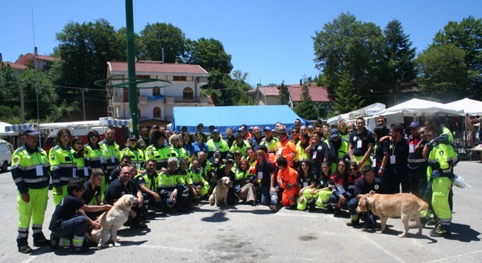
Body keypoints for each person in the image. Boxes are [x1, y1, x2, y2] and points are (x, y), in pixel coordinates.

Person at [11, 128, 51, 253]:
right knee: (25, 215)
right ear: (25, 137)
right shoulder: (20, 153)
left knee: (39, 213)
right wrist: (23, 192)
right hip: (28, 191)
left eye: (36, 136)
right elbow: (16, 174)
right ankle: (22, 242)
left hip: (42, 190)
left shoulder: (41, 152)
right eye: (32, 137)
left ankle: (38, 237)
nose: (35, 139)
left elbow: (47, 169)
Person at [49, 179, 111, 253]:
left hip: (59, 227)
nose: (82, 192)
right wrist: (105, 207)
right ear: (75, 191)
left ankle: (57, 240)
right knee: (82, 220)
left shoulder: (69, 198)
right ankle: (76, 246)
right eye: (81, 190)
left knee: (86, 242)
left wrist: (91, 222)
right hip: (59, 227)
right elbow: (88, 209)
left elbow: (80, 211)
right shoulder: (72, 199)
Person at [426, 128, 458, 237]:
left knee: (441, 203)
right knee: (437, 201)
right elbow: (455, 159)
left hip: (441, 179)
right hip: (441, 179)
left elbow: (444, 164)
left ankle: (444, 228)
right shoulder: (449, 146)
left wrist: (443, 172)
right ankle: (442, 223)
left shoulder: (440, 147)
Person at [103, 165, 147, 229]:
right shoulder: (115, 185)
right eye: (124, 173)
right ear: (120, 173)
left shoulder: (130, 182)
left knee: (142, 207)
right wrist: (130, 211)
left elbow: (137, 190)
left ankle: (135, 224)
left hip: (125, 205)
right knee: (128, 217)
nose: (127, 175)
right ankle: (113, 227)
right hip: (112, 208)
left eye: (128, 173)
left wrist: (140, 197)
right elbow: (117, 203)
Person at [50, 128, 76, 205]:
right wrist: (57, 185)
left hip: (71, 185)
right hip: (62, 185)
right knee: (61, 209)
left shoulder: (72, 150)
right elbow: (54, 169)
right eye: (63, 136)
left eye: (68, 136)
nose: (66, 138)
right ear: (59, 138)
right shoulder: (55, 150)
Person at [407, 122, 428, 199]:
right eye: (411, 129)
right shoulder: (410, 138)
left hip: (421, 168)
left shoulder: (423, 139)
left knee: (421, 189)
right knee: (413, 189)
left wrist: (420, 142)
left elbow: (427, 134)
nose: (412, 131)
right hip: (411, 168)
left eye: (414, 129)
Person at [388, 124, 409, 193]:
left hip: (403, 169)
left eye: (392, 132)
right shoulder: (391, 141)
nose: (390, 134)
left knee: (405, 190)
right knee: (394, 190)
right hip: (393, 169)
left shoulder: (405, 143)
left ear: (398, 133)